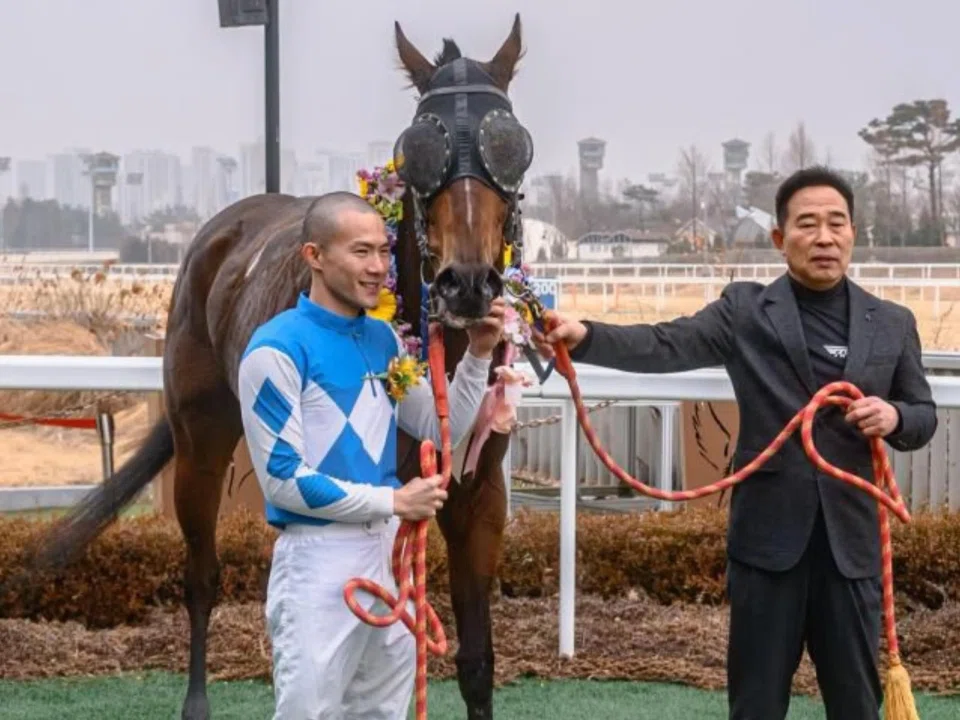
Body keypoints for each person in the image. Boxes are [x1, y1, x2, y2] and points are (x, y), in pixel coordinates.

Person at [534, 166, 937, 720]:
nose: (824, 237)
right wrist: (587, 337)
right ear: (779, 239)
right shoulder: (746, 311)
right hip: (768, 547)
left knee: (857, 705)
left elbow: (923, 415)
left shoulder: (892, 322)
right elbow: (665, 343)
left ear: (853, 232)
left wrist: (894, 414)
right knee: (755, 705)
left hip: (852, 549)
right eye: (808, 224)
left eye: (836, 224)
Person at [237, 191, 504, 719]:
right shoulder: (275, 350)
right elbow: (283, 482)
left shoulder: (383, 340)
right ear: (313, 256)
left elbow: (437, 427)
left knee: (383, 713)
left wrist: (477, 355)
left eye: (384, 252)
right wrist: (392, 501)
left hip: (387, 557)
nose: (379, 267)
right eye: (361, 253)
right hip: (317, 560)